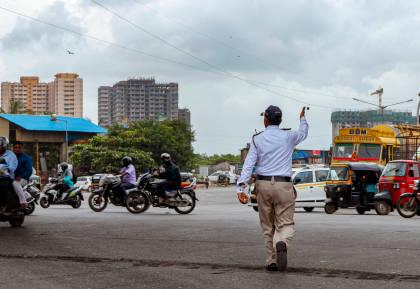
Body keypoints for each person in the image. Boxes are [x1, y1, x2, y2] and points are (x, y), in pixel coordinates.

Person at [237, 105, 309, 272]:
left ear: (266, 120)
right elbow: (303, 132)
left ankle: (271, 260)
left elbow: (249, 164)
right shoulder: (289, 136)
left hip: (262, 185)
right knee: (285, 224)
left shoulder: (257, 138)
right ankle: (281, 241)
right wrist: (302, 118)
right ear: (280, 120)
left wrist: (241, 188)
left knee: (267, 226)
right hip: (284, 185)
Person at [0, 137, 23, 206]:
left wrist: (5, 170)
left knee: (3, 186)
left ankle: (3, 204)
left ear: (4, 146)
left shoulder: (11, 155)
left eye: (0, 146)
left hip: (6, 177)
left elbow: (12, 167)